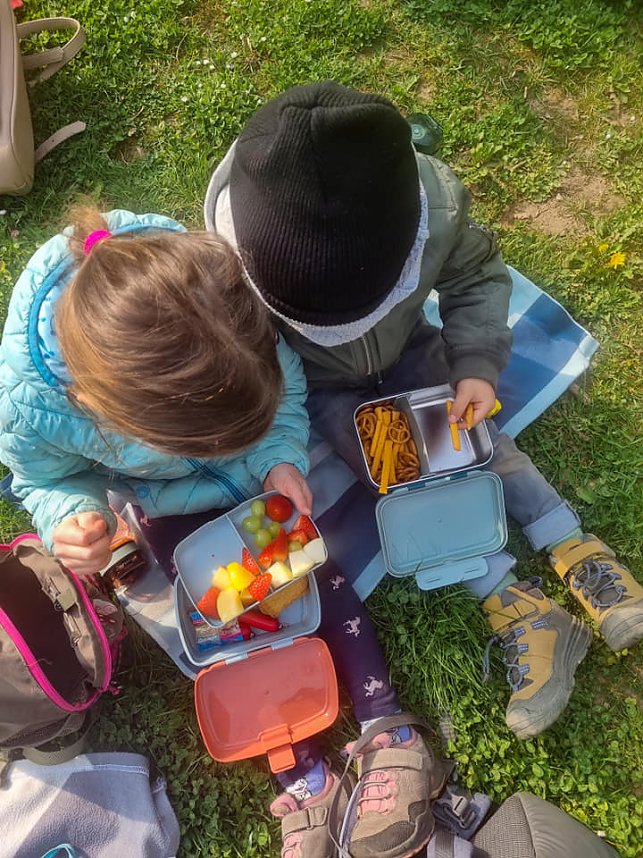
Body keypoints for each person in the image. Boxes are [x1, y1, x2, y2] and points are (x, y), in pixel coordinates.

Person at [0, 207, 447, 858]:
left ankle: (384, 721)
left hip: (259, 472)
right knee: (224, 624)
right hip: (169, 504)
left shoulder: (215, 290)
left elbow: (281, 387)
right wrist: (70, 520)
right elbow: (44, 478)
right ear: (98, 409)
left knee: (306, 569)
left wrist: (279, 457)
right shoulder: (28, 402)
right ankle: (300, 769)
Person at [204, 81, 643, 740]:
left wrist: (476, 364)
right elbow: (254, 368)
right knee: (398, 473)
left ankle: (574, 548)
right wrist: (278, 451)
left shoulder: (433, 210)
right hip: (320, 386)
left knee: (471, 438)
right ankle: (515, 602)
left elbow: (475, 277)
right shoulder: (226, 267)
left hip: (410, 346)